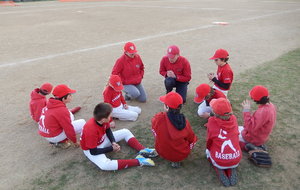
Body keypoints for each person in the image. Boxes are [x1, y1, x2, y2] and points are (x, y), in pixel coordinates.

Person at [80, 103, 157, 171]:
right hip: (92, 149)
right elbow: (93, 151)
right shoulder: (90, 130)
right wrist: (111, 148)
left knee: (125, 131)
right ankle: (138, 161)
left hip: (101, 139)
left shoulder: (101, 120)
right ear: (103, 119)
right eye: (110, 116)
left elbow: (107, 130)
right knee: (105, 165)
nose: (111, 117)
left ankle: (143, 150)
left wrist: (113, 142)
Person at [151, 92, 197, 168]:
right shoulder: (185, 122)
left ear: (167, 107)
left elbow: (154, 131)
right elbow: (191, 138)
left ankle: (162, 153)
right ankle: (176, 161)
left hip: (161, 151)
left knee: (160, 137)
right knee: (193, 138)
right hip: (180, 155)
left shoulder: (158, 119)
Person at [206, 98, 241, 187]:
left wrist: (208, 149)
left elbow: (209, 140)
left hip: (219, 160)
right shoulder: (234, 118)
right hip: (236, 158)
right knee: (230, 149)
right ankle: (231, 168)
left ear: (215, 112)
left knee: (208, 152)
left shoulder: (211, 121)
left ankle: (219, 169)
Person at [38, 84, 86, 148]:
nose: (71, 96)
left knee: (69, 115)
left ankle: (59, 140)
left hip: (46, 133)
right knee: (82, 122)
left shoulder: (50, 103)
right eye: (69, 95)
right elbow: (69, 129)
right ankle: (61, 141)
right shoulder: (61, 111)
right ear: (63, 98)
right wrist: (75, 141)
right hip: (54, 136)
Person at [239, 85, 277, 151]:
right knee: (237, 128)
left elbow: (250, 127)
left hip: (253, 138)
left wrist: (246, 110)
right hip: (261, 137)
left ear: (255, 99)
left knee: (230, 136)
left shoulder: (263, 112)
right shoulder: (271, 106)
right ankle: (258, 144)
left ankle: (250, 146)